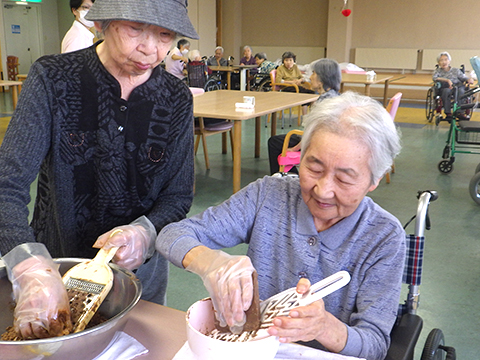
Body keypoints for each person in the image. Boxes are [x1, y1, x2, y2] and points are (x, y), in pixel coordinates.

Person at [0, 0, 199, 340]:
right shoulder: (54, 79)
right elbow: (7, 185)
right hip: (56, 270)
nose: (150, 49)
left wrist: (145, 233)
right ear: (103, 22)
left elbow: (178, 195)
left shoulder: (176, 98)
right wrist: (29, 265)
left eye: (165, 34)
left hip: (140, 280)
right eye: (135, 29)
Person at [157, 91, 404, 360]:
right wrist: (210, 262)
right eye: (314, 168)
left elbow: (375, 344)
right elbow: (172, 233)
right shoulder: (270, 195)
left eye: (344, 179)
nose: (322, 190)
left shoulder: (384, 236)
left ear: (374, 179)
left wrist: (323, 327)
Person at [268, 58, 342, 174]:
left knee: (274, 142)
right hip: (327, 141)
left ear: (322, 79)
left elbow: (313, 133)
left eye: (313, 73)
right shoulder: (335, 96)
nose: (311, 77)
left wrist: (295, 148)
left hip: (317, 142)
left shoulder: (324, 102)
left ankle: (283, 178)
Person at [432, 51, 474, 121]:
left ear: (449, 61)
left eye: (445, 60)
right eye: (441, 60)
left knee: (461, 91)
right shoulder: (438, 71)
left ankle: (459, 112)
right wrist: (447, 80)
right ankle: (448, 113)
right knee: (446, 91)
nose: (444, 62)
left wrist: (469, 79)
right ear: (438, 62)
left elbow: (463, 78)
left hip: (458, 86)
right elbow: (434, 78)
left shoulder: (456, 70)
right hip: (445, 87)